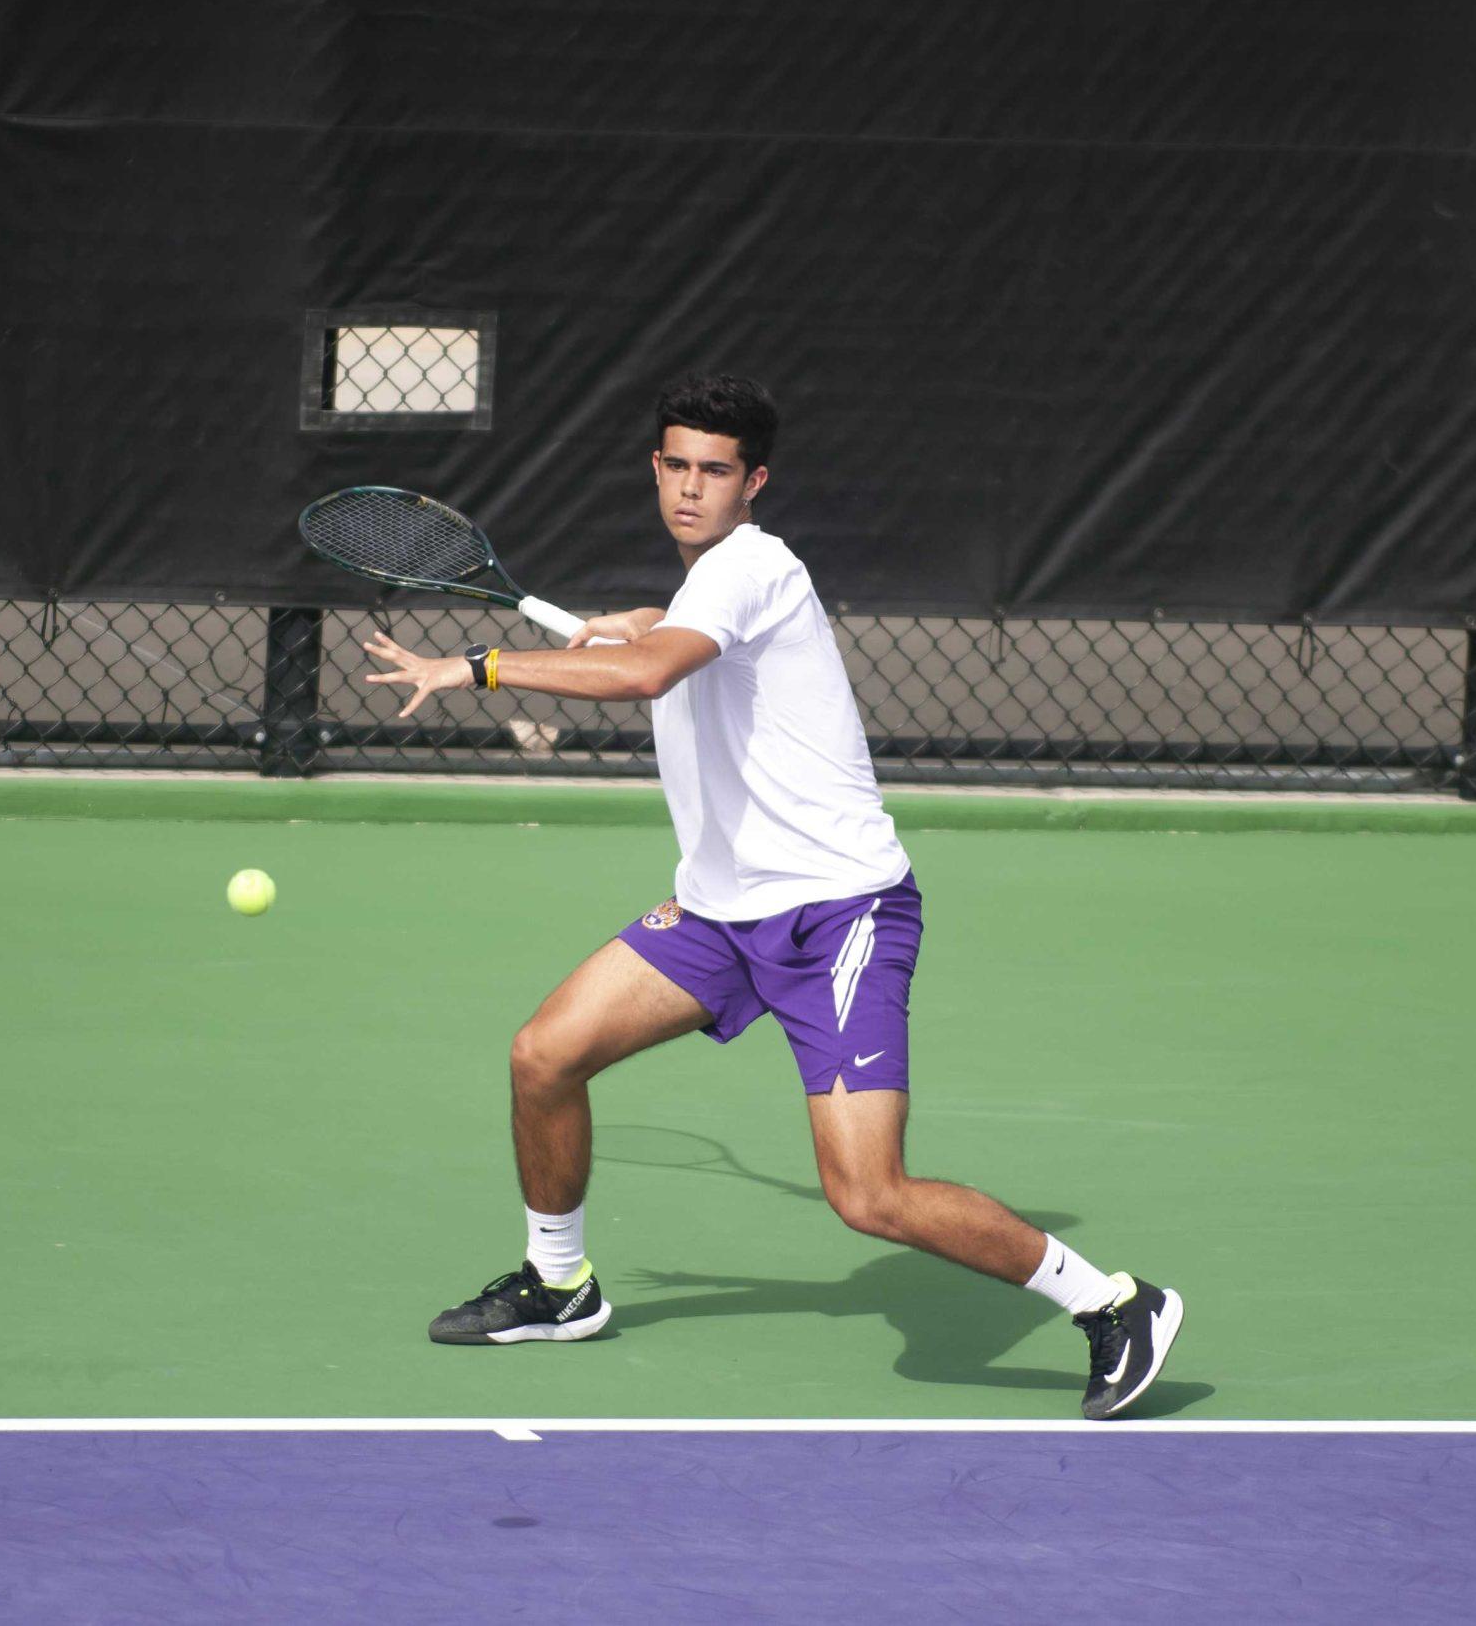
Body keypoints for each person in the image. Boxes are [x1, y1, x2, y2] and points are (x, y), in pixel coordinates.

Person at [361, 374, 1183, 1418]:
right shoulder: (709, 586)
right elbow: (677, 637)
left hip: (837, 916)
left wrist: (477, 666)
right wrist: (643, 620)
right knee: (544, 1054)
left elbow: (651, 673)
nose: (691, 490)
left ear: (753, 482)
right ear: (655, 469)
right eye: (676, 467)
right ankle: (558, 1284)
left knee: (867, 1196)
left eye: (715, 471)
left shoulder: (752, 564)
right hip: (716, 916)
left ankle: (1114, 1305)